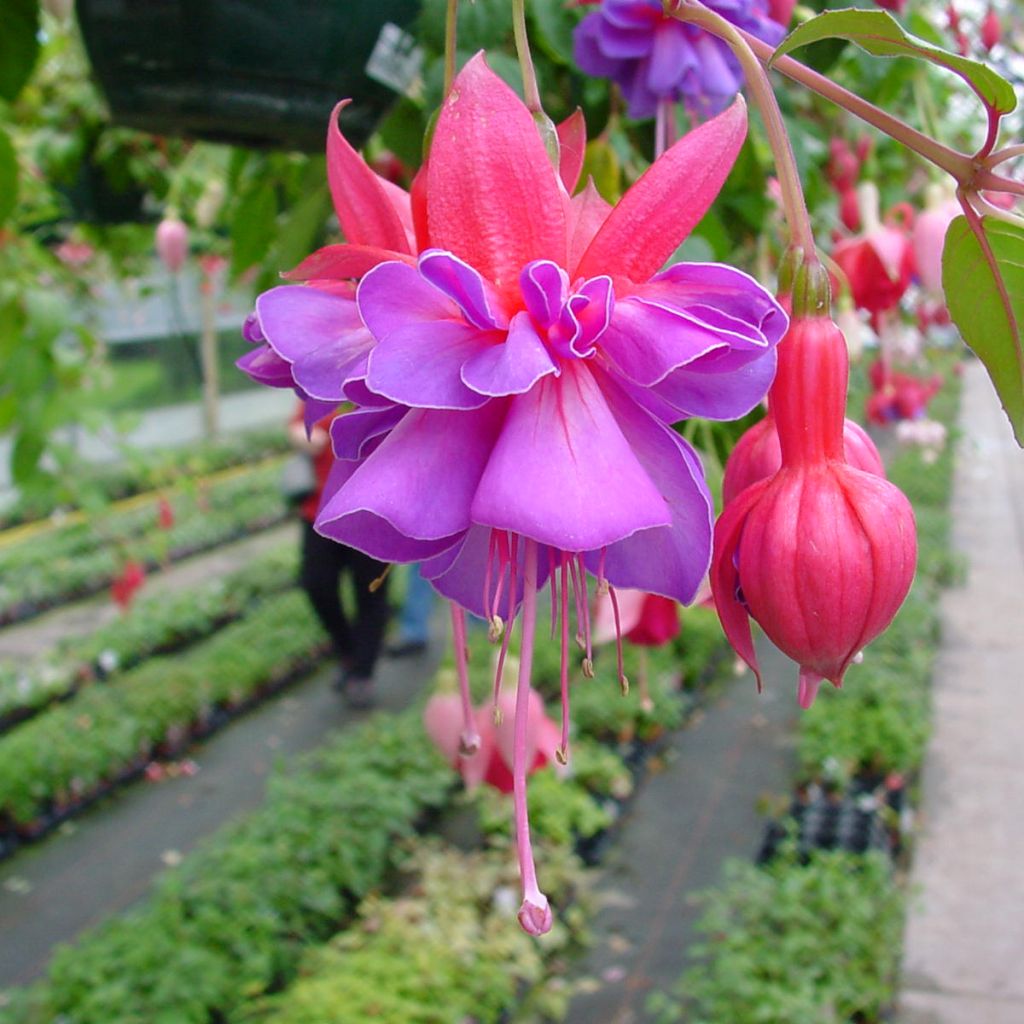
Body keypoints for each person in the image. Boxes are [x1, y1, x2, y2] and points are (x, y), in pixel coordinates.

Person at [289, 402, 389, 708]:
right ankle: (348, 651)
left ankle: (362, 671)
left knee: (370, 594)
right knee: (316, 584)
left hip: (373, 512)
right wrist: (301, 435)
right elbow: (298, 425)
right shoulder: (328, 389)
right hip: (321, 511)